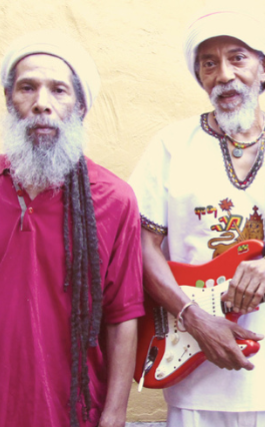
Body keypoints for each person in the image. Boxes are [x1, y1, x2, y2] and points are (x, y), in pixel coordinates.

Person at [128, 9, 265, 427]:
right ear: (200, 77)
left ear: (262, 68)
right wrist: (194, 318)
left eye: (238, 58)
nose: (225, 74)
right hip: (193, 375)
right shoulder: (171, 146)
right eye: (209, 64)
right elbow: (141, 248)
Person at [0, 31, 144, 427]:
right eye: (27, 88)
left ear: (80, 106)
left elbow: (122, 316)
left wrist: (115, 413)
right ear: (10, 100)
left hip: (72, 411)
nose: (41, 103)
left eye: (58, 90)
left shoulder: (113, 199)